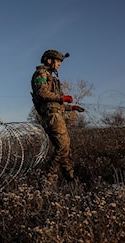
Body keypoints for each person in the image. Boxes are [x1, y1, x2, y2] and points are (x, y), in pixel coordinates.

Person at [30, 50, 85, 183]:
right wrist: (62, 97)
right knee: (63, 147)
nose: (59, 64)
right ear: (49, 60)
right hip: (51, 116)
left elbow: (55, 103)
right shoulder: (41, 74)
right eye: (58, 61)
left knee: (65, 149)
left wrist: (71, 108)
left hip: (55, 114)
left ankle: (71, 179)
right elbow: (42, 93)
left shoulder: (51, 76)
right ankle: (48, 177)